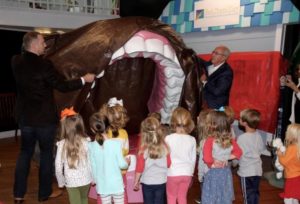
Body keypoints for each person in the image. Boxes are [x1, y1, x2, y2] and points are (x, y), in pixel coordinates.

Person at [11, 31, 95, 203]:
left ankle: (18, 195)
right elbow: (62, 86)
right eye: (42, 42)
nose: (45, 45)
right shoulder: (45, 65)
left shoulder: (15, 62)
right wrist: (83, 79)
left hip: (25, 118)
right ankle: (44, 194)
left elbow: (25, 57)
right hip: (44, 120)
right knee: (47, 155)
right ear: (34, 45)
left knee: (24, 154)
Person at [201, 111, 242, 204]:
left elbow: (207, 159)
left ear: (213, 126)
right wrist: (226, 158)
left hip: (213, 173)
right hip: (225, 172)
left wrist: (212, 163)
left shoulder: (209, 140)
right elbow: (239, 152)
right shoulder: (230, 139)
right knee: (224, 194)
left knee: (211, 195)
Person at [88, 113, 130, 204]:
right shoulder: (116, 144)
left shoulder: (91, 146)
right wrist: (127, 162)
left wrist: (94, 179)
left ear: (92, 129)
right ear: (108, 127)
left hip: (102, 186)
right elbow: (122, 165)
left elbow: (93, 166)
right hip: (116, 185)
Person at [55, 107, 92, 204]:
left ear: (65, 127)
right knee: (84, 199)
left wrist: (61, 181)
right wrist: (94, 177)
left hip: (71, 182)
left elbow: (58, 166)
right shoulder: (86, 141)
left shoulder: (61, 144)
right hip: (86, 179)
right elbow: (92, 161)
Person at [134, 116, 171, 204]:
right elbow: (169, 164)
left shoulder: (143, 149)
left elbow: (139, 168)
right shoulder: (165, 146)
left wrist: (136, 181)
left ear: (144, 133)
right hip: (161, 181)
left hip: (147, 182)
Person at [165, 107, 196, 204]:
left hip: (172, 173)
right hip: (187, 173)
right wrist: (191, 173)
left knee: (171, 197)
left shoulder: (168, 138)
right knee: (182, 197)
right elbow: (193, 159)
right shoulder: (192, 139)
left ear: (173, 122)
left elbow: (165, 158)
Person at [237, 109, 265, 204]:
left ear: (244, 123)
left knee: (248, 195)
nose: (238, 119)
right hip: (257, 170)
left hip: (246, 172)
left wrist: (234, 163)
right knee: (255, 193)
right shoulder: (258, 135)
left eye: (240, 118)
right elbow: (261, 150)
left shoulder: (241, 138)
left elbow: (238, 154)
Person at [277, 123, 300, 204]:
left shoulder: (292, 147)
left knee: (288, 198)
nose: (286, 132)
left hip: (292, 178)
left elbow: (284, 162)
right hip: (298, 177)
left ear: (291, 135)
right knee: (294, 197)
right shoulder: (298, 147)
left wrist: (279, 155)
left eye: (287, 131)